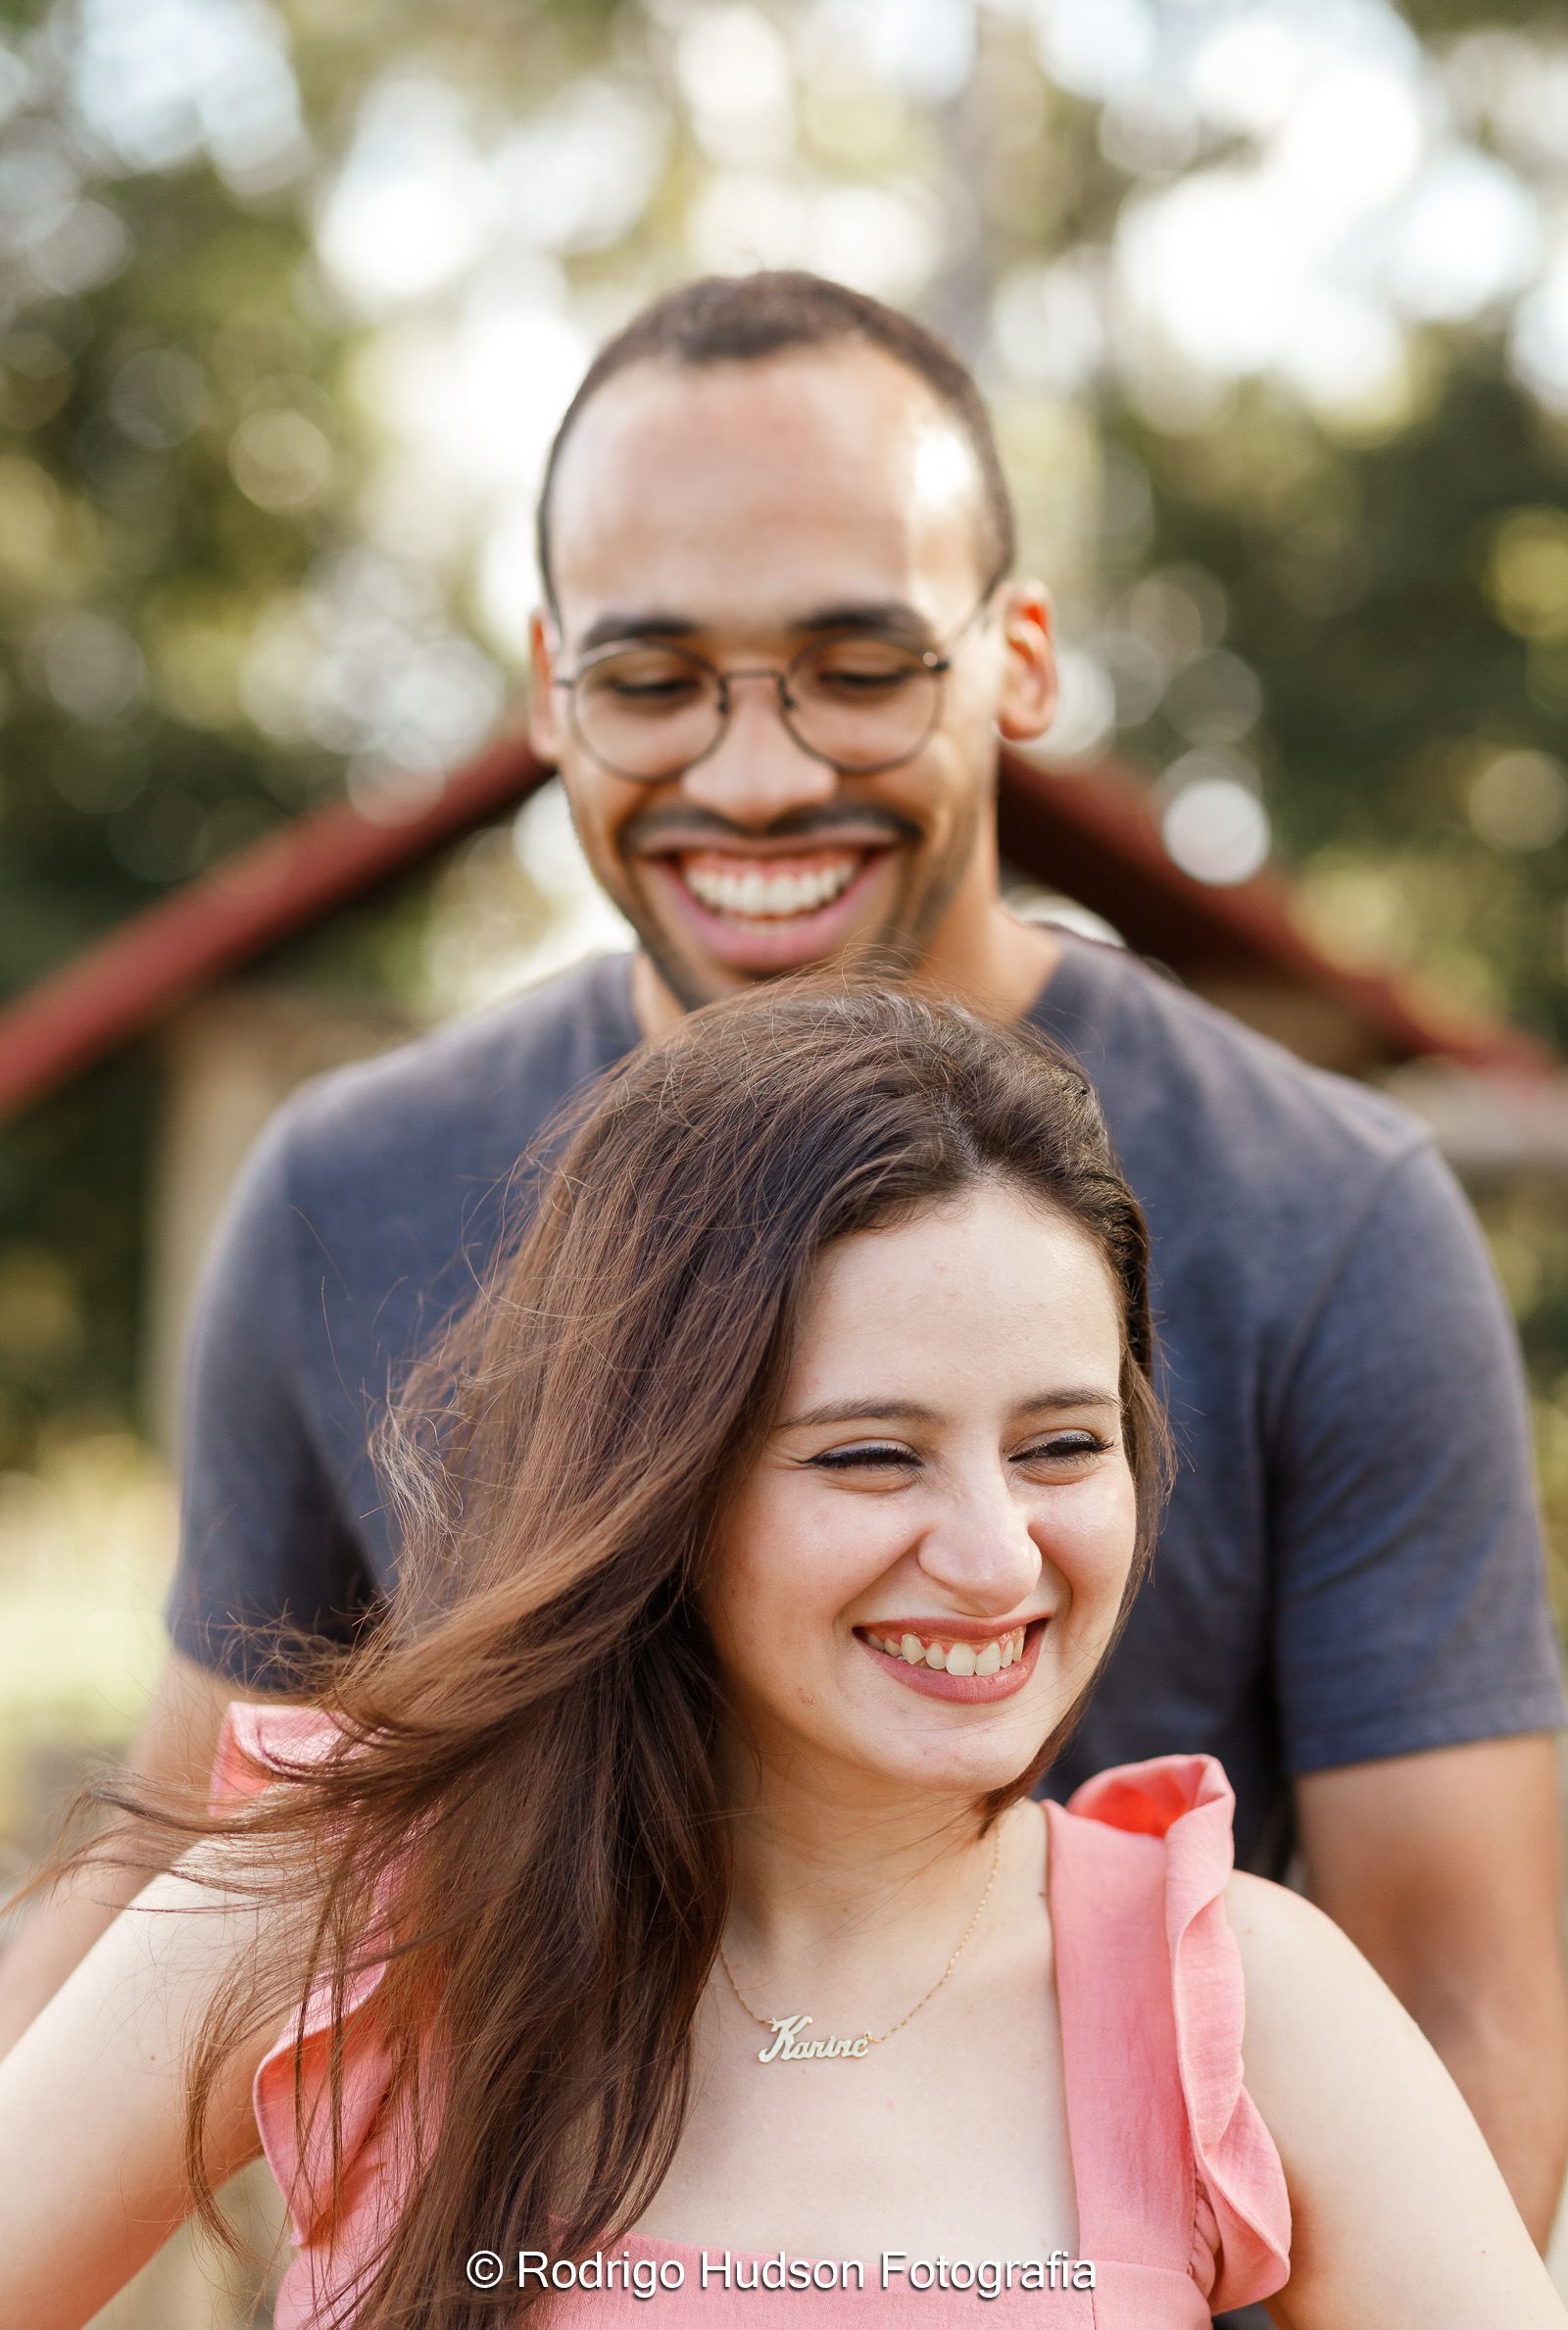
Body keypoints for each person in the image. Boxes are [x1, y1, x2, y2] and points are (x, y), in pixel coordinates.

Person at [1, 272, 1565, 2274]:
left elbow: (1464, 2018)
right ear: (553, 685)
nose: (749, 778)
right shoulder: (346, 1192)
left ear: (1009, 663)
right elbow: (192, 1903)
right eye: (655, 682)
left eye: (851, 667)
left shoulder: (1326, 1213)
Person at [2, 988, 1564, 2330]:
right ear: (655, 1482)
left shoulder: (1240, 1997)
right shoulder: (320, 1918)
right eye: (872, 1456)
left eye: (1062, 1445)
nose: (998, 1554)